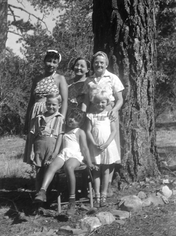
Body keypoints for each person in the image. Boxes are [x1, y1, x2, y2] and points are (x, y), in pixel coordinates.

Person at [34, 107, 98, 215]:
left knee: (69, 167)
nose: (72, 120)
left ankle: (71, 200)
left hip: (75, 155)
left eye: (76, 119)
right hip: (63, 153)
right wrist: (52, 157)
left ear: (80, 123)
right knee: (52, 166)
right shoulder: (62, 131)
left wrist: (90, 163)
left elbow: (84, 148)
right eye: (71, 117)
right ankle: (42, 191)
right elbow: (58, 147)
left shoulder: (80, 132)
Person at [81, 51, 124, 192]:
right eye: (96, 62)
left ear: (106, 64)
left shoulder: (112, 78)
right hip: (93, 115)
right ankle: (94, 185)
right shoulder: (89, 80)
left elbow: (120, 99)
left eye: (101, 62)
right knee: (94, 148)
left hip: (109, 113)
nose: (98, 64)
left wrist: (114, 110)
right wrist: (82, 114)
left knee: (109, 149)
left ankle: (108, 184)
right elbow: (86, 100)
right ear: (92, 64)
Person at [23, 49, 68, 165]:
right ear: (44, 62)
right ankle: (37, 173)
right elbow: (31, 100)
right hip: (36, 114)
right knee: (37, 142)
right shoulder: (37, 79)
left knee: (50, 141)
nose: (51, 64)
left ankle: (51, 175)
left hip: (52, 114)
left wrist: (61, 118)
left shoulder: (60, 79)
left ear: (58, 64)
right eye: (49, 61)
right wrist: (27, 120)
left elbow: (64, 101)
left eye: (54, 62)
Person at [86, 91, 120, 207]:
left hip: (107, 146)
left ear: (107, 103)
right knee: (96, 171)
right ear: (93, 103)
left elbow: (114, 131)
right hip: (95, 147)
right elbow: (88, 131)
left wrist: (106, 144)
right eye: (97, 102)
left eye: (103, 102)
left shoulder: (109, 115)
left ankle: (104, 195)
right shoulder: (91, 115)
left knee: (106, 171)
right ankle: (97, 195)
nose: (100, 104)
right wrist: (94, 143)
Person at [29, 93, 65, 192]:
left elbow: (60, 136)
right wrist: (32, 151)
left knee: (48, 170)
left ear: (59, 105)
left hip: (52, 147)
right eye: (48, 104)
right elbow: (34, 135)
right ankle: (38, 198)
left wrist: (56, 152)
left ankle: (46, 195)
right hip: (39, 146)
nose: (51, 107)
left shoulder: (60, 118)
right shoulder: (39, 117)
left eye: (54, 104)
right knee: (39, 172)